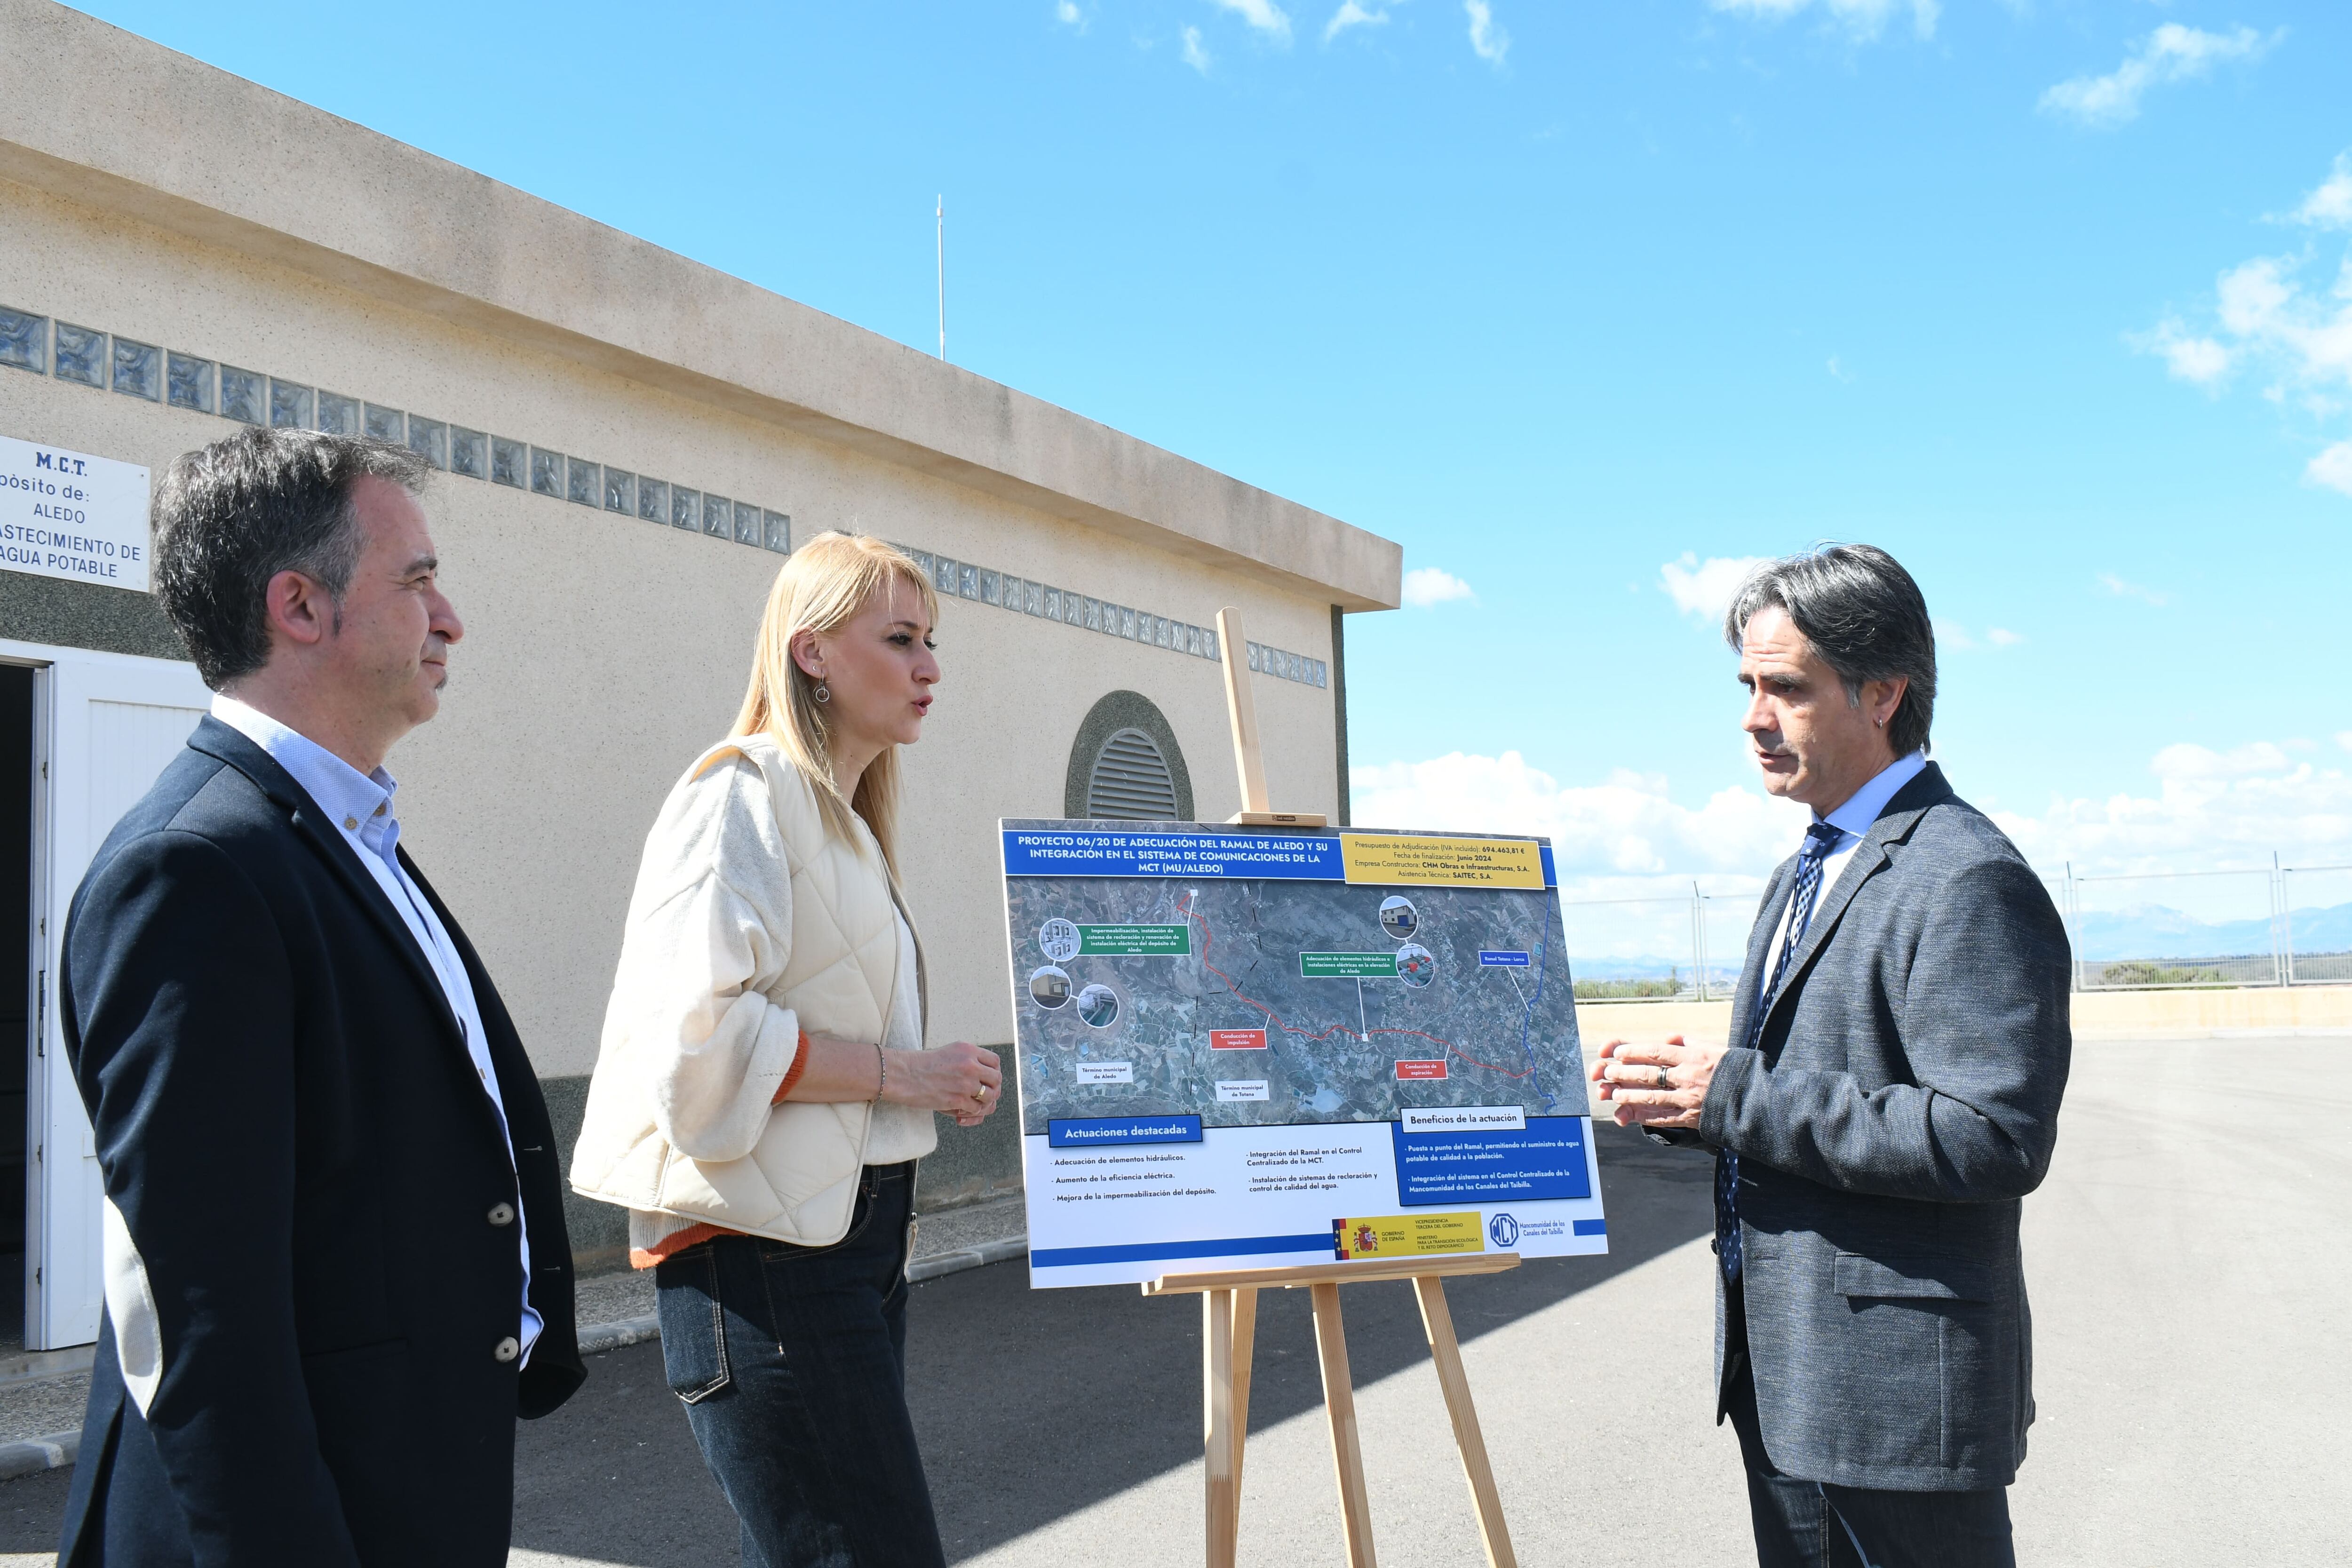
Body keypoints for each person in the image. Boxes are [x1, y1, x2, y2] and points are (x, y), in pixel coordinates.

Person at [56, 428, 583, 1567]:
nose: (451, 619)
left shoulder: (340, 836)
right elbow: (200, 1316)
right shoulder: (194, 869)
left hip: (400, 1480)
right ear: (300, 605)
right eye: (419, 580)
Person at [1590, 544, 2069, 1568]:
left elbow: (1991, 1135)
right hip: (1792, 1379)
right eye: (1747, 686)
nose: (1753, 715)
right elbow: (1811, 1087)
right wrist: (1688, 1100)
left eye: (1785, 687)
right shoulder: (1807, 864)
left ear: (1883, 692)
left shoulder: (1964, 876)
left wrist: (1737, 1093)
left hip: (1896, 1405)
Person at [570, 531, 1003, 1568]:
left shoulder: (838, 818)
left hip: (836, 1251)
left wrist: (925, 1078)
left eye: (931, 640)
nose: (930, 666)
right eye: (901, 637)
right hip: (766, 1264)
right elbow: (698, 1043)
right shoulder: (741, 795)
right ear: (810, 651)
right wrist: (908, 1074)